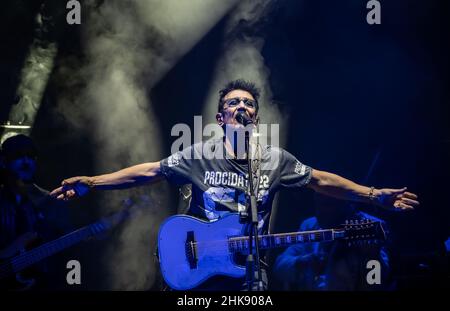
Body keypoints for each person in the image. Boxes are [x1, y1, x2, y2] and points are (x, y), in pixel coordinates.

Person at [50, 79, 419, 290]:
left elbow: (320, 180)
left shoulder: (274, 160)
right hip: (199, 273)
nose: (241, 106)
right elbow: (150, 171)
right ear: (220, 116)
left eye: (248, 103)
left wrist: (374, 196)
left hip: (250, 276)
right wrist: (93, 182)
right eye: (234, 102)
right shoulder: (198, 154)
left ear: (255, 116)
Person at [272, 193, 392, 291]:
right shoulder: (310, 225)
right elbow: (280, 266)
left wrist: (371, 257)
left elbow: (375, 283)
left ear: (347, 203)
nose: (321, 211)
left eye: (328, 205)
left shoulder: (371, 227)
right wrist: (305, 262)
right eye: (318, 204)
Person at [0, 134, 70, 290]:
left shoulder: (52, 202)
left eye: (31, 156)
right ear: (3, 161)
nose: (26, 161)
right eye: (18, 155)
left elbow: (68, 249)